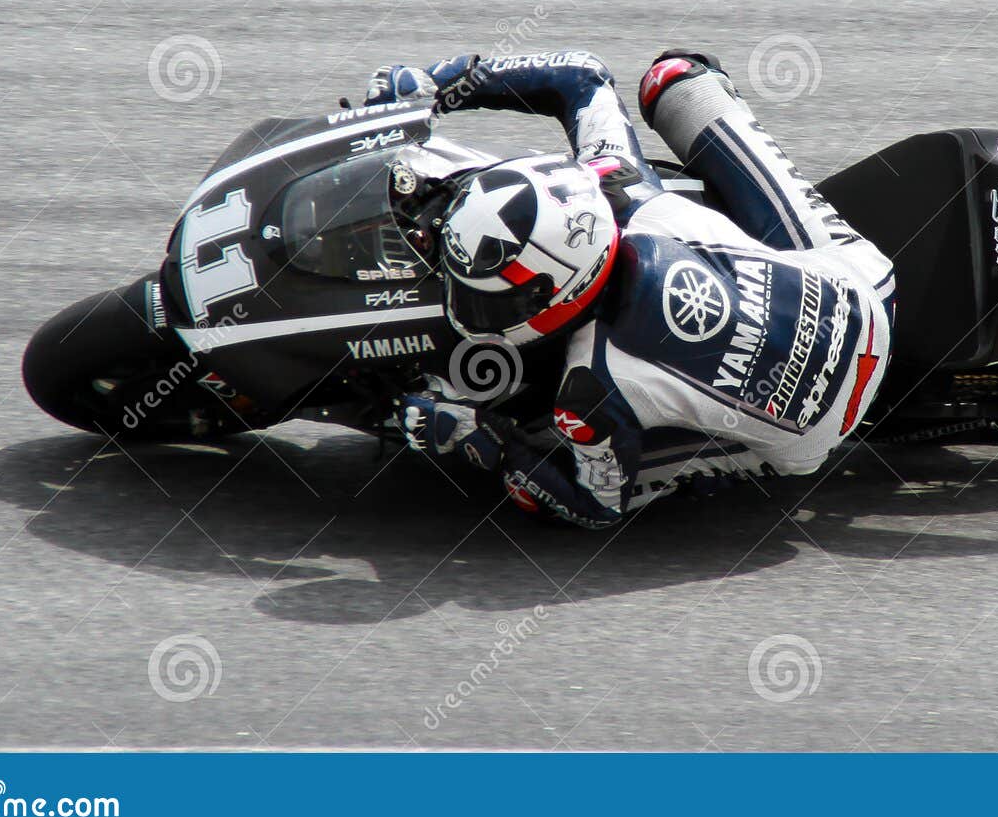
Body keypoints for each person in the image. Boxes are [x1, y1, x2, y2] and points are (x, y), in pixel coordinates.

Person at [376, 49, 895, 529]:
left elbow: (596, 507)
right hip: (863, 287)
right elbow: (583, 76)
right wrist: (444, 82)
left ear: (558, 294)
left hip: (816, 437)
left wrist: (481, 438)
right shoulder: (624, 187)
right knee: (678, 78)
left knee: (547, 440)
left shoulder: (590, 386)